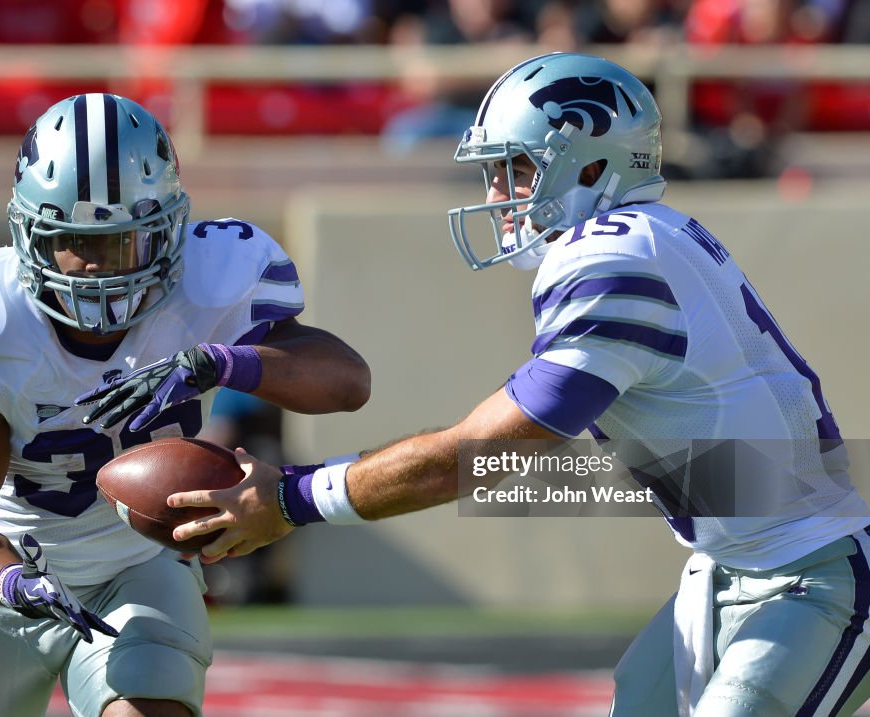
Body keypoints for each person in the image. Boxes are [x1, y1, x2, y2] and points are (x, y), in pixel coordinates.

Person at [162, 53, 870, 716]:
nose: (500, 195)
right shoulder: (650, 236)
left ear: (594, 164)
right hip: (728, 567)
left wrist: (290, 497)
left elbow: (481, 452)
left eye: (520, 171)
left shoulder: (615, 259)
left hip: (807, 569)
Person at [0, 93, 370, 717]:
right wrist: (12, 580)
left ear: (168, 229)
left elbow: (347, 383)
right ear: (30, 234)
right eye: (72, 240)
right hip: (4, 579)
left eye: (121, 240)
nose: (95, 263)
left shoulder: (211, 281)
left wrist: (219, 361)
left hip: (141, 568)